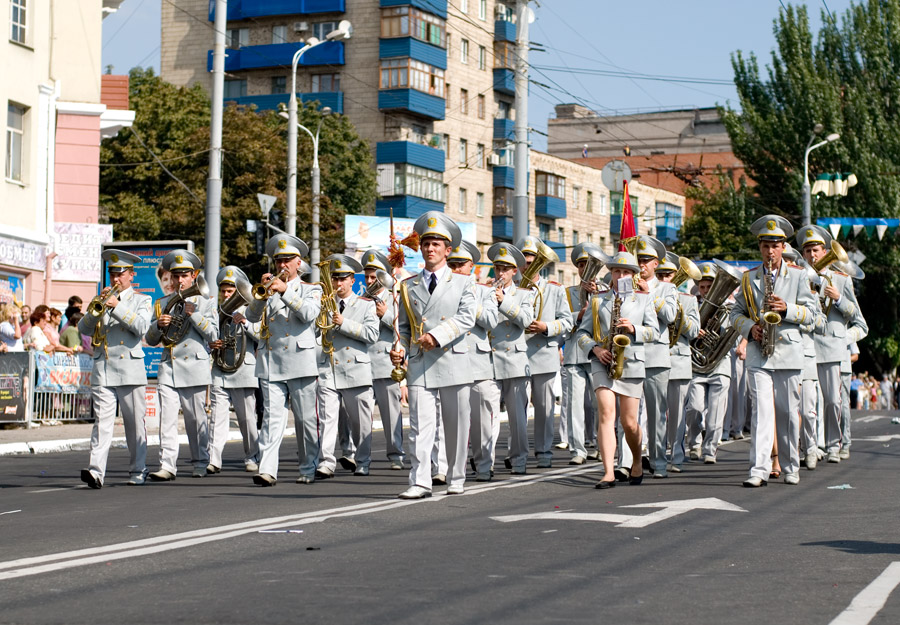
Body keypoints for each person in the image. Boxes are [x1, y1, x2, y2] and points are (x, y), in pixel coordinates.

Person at [390, 212, 476, 498]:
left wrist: (437, 335)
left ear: (448, 250)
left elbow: (466, 318)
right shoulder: (408, 284)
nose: (430, 248)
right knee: (419, 425)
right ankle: (420, 480)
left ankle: (456, 475)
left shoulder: (464, 282)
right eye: (426, 243)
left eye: (437, 244)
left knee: (455, 424)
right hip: (419, 362)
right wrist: (398, 347)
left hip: (453, 357)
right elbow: (402, 324)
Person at [732, 215, 817, 487]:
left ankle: (791, 466)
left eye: (776, 245)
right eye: (766, 245)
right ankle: (759, 468)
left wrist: (788, 309)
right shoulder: (749, 278)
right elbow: (735, 314)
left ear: (783, 247)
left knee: (789, 413)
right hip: (759, 352)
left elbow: (813, 316)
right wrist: (748, 329)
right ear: (760, 247)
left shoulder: (799, 276)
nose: (770, 251)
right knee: (762, 412)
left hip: (789, 352)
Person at [575, 251, 660, 488]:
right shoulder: (598, 299)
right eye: (616, 271)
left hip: (631, 363)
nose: (620, 275)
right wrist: (595, 349)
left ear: (633, 275)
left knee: (629, 423)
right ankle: (608, 472)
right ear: (610, 273)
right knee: (606, 414)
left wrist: (634, 328)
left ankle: (636, 461)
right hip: (603, 362)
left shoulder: (643, 299)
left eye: (625, 271)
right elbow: (581, 333)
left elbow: (655, 333)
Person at [245, 234, 322, 486]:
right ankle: (267, 470)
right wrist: (261, 297)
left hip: (301, 360)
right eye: (278, 261)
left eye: (287, 260)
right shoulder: (268, 290)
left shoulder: (313, 289)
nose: (282, 266)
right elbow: (252, 317)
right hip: (271, 360)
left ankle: (308, 466)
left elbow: (309, 314)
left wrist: (286, 290)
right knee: (271, 418)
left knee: (305, 420)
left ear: (298, 263)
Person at [77, 249, 152, 488]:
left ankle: (138, 469)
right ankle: (96, 471)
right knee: (102, 423)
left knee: (134, 424)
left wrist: (117, 306)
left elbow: (141, 328)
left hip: (130, 369)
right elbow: (84, 330)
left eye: (120, 274)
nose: (116, 279)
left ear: (131, 275)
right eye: (112, 274)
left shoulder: (142, 300)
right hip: (104, 368)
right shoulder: (103, 297)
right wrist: (93, 309)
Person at [145, 250, 219, 481]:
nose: (179, 280)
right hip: (168, 366)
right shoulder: (162, 303)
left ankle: (200, 461)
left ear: (193, 275)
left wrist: (194, 315)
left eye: (184, 275)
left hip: (194, 367)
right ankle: (167, 465)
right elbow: (150, 339)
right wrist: (158, 325)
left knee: (195, 419)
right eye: (176, 276)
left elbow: (213, 335)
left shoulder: (206, 303)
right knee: (166, 419)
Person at [797, 224, 868, 463]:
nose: (812, 255)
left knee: (833, 401)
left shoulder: (841, 279)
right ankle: (812, 446)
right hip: (807, 347)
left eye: (816, 250)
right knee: (810, 403)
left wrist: (838, 300)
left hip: (832, 349)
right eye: (807, 251)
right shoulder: (800, 278)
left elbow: (859, 321)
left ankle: (834, 446)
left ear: (825, 250)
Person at [315, 254, 379, 478]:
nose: (338, 283)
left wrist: (344, 324)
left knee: (360, 422)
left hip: (356, 370)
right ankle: (326, 462)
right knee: (327, 419)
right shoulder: (324, 303)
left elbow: (372, 334)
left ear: (353, 280)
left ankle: (362, 460)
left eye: (343, 279)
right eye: (335, 278)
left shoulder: (365, 305)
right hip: (329, 368)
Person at [516, 236, 573, 469]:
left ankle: (543, 452)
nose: (528, 266)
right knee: (516, 408)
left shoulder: (554, 290)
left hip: (543, 351)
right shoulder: (512, 289)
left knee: (545, 407)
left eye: (532, 261)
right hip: (516, 353)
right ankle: (517, 453)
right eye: (525, 262)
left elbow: (567, 322)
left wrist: (547, 327)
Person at [448, 241, 499, 481]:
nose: (456, 269)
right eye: (452, 265)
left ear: (472, 266)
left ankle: (483, 464)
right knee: (452, 420)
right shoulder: (441, 290)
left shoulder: (485, 291)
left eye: (461, 265)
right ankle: (448, 468)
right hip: (450, 360)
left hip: (478, 362)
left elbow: (491, 321)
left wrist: (469, 301)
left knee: (481, 419)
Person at [487, 242, 535, 476]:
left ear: (514, 270)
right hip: (489, 359)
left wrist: (503, 302)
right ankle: (486, 463)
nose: (500, 273)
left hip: (515, 361)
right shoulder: (484, 291)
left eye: (506, 268)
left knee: (517, 419)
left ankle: (518, 461)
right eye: (497, 268)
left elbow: (526, 321)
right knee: (488, 417)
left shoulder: (525, 294)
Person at [632, 235, 678, 479]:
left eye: (647, 260)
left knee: (657, 413)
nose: (642, 264)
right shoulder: (627, 284)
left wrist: (648, 293)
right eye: (639, 259)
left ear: (656, 263)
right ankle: (629, 462)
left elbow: (670, 316)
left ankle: (659, 462)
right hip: (630, 355)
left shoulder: (668, 288)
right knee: (628, 415)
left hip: (656, 356)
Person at [207, 266, 260, 475]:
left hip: (243, 370)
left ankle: (252, 456)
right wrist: (212, 344)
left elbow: (261, 336)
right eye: (224, 292)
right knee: (217, 418)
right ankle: (214, 459)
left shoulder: (252, 311)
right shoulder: (215, 310)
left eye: (231, 292)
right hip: (220, 369)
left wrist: (245, 322)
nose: (227, 296)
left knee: (246, 419)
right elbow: (207, 335)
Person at [683, 262, 738, 465]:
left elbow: (735, 336)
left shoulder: (730, 308)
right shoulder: (691, 306)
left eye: (709, 287)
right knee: (694, 408)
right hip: (697, 365)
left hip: (720, 364)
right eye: (703, 287)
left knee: (716, 413)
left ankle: (710, 449)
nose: (705, 291)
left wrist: (718, 332)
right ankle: (694, 443)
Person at [561, 243, 607, 465]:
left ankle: (600, 445)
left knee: (600, 405)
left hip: (598, 354)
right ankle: (577, 450)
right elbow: (561, 321)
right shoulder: (568, 293)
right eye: (580, 265)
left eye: (589, 265)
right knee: (575, 405)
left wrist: (597, 298)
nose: (584, 269)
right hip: (574, 354)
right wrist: (577, 316)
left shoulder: (606, 292)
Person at [361, 249, 406, 470]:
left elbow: (405, 330)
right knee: (361, 417)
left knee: (391, 414)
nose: (370, 281)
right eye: (367, 276)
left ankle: (396, 454)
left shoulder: (396, 296)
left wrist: (387, 315)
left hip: (387, 362)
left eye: (375, 276)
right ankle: (361, 458)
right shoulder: (360, 300)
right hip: (362, 363)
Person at [656, 253, 700, 472]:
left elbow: (693, 332)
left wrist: (676, 315)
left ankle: (676, 456)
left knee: (677, 414)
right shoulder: (649, 297)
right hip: (654, 358)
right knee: (654, 411)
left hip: (678, 361)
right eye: (660, 275)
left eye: (669, 274)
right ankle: (655, 454)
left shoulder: (689, 300)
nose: (665, 279)